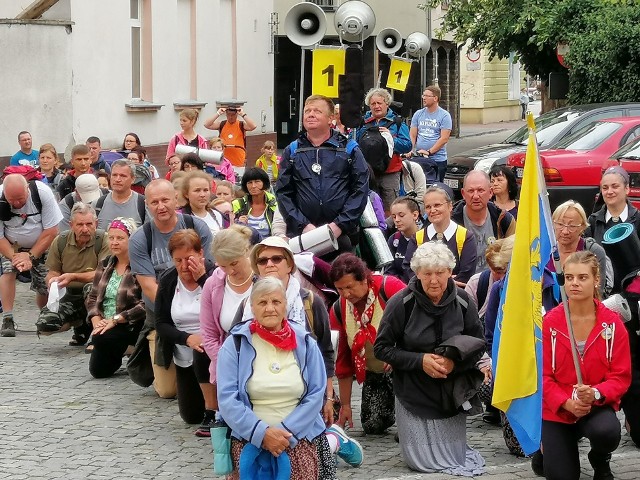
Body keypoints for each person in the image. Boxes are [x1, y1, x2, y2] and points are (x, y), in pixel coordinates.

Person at [374, 241, 486, 475]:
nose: (434, 280)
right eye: (427, 274)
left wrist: (454, 363)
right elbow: (382, 349)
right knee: (421, 462)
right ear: (417, 274)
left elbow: (477, 345)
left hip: (451, 389)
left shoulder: (464, 302)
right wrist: (420, 361)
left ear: (449, 273)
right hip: (413, 390)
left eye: (440, 273)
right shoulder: (401, 303)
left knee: (454, 457)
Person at [216, 277, 327, 479]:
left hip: (298, 443)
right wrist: (262, 434)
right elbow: (227, 399)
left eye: (276, 302)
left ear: (285, 305)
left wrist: (283, 434)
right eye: (262, 302)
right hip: (249, 444)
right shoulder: (235, 345)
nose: (270, 308)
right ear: (252, 306)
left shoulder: (305, 342)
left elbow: (317, 394)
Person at [541, 251, 631, 480]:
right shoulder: (549, 323)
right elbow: (543, 376)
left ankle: (600, 458)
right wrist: (566, 402)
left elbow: (621, 376)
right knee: (561, 476)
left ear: (596, 280)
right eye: (569, 278)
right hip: (558, 409)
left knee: (607, 433)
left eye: (582, 277)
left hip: (596, 405)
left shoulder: (612, 324)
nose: (575, 283)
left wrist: (595, 393)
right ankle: (545, 451)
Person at [127, 179, 213, 399]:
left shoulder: (197, 227)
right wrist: (174, 310)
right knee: (167, 391)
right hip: (161, 313)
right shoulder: (140, 239)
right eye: (154, 202)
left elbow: (212, 272)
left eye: (165, 200)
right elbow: (148, 285)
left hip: (202, 308)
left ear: (176, 199)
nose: (161, 206)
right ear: (147, 205)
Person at [276, 95, 369, 259]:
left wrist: (339, 225)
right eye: (307, 111)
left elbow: (360, 190)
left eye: (317, 111)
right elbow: (283, 193)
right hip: (303, 236)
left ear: (331, 118)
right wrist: (303, 225)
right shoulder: (292, 150)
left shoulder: (349, 149)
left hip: (341, 235)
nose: (310, 114)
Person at [329, 253, 406, 434]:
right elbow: (342, 360)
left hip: (406, 367)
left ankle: (412, 411)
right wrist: (346, 406)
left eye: (349, 287)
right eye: (340, 289)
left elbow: (417, 325)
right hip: (376, 372)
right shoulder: (338, 309)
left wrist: (399, 352)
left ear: (364, 279)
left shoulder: (390, 287)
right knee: (372, 425)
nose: (346, 294)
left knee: (410, 424)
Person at [155, 229, 216, 434]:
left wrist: (202, 279)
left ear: (201, 254)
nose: (183, 266)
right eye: (177, 260)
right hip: (185, 352)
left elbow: (223, 308)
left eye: (189, 259)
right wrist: (187, 338)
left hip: (212, 353)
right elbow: (161, 323)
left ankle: (214, 409)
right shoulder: (168, 280)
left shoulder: (214, 275)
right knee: (190, 416)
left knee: (204, 346)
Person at [199, 226, 255, 437]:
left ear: (246, 252)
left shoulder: (263, 280)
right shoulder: (213, 284)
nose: (230, 270)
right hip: (227, 365)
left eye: (234, 263)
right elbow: (209, 333)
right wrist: (228, 363)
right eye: (223, 265)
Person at [35, 203, 110, 346]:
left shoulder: (103, 240)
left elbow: (104, 273)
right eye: (80, 225)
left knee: (90, 288)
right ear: (71, 225)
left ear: (96, 223)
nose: (85, 229)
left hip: (97, 294)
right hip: (69, 293)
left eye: (89, 224)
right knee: (45, 325)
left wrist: (73, 276)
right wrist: (52, 281)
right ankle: (80, 322)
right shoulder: (61, 241)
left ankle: (98, 336)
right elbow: (53, 271)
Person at [0, 174, 63, 337]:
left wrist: (31, 256)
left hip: (42, 241)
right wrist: (15, 257)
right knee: (7, 272)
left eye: (20, 199)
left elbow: (52, 230)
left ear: (27, 189)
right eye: (11, 200)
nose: (16, 204)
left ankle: (46, 314)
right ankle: (7, 317)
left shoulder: (42, 193)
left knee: (45, 280)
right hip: (12, 245)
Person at [86, 218, 144, 378]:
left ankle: (136, 349)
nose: (114, 242)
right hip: (106, 324)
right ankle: (117, 350)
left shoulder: (140, 265)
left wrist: (118, 319)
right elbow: (92, 297)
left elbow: (145, 305)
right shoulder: (105, 263)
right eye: (111, 238)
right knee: (98, 372)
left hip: (130, 323)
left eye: (120, 238)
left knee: (100, 339)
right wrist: (96, 321)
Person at [402, 184, 477, 286]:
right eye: (428, 207)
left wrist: (442, 284)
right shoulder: (417, 238)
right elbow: (409, 268)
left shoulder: (466, 237)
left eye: (437, 205)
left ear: (450, 206)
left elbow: (466, 273)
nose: (432, 210)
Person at [356, 88, 412, 212]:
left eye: (379, 103)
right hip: (368, 173)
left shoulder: (397, 122)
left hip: (390, 173)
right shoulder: (362, 123)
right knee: (369, 208)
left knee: (391, 209)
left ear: (387, 103)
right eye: (373, 104)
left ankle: (390, 231)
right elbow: (355, 144)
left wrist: (390, 139)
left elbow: (407, 145)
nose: (376, 106)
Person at [586, 166, 640, 289]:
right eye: (605, 188)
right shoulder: (593, 221)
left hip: (634, 293)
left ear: (627, 189)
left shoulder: (639, 220)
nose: (609, 191)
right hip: (602, 293)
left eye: (615, 186)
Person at [452, 170, 516, 271]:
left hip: (496, 281)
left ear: (490, 192)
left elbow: (515, 254)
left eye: (480, 190)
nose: (476, 196)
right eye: (471, 191)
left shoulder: (505, 220)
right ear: (463, 194)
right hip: (462, 283)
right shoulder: (451, 222)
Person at [548, 200, 612, 298]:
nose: (565, 231)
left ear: (582, 227)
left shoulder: (593, 252)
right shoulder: (543, 250)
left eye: (572, 226)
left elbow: (598, 293)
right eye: (560, 224)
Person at [409, 85, 453, 182]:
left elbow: (444, 139)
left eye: (427, 96)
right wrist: (410, 149)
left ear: (435, 98)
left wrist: (429, 151)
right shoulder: (418, 114)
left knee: (435, 189)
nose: (423, 98)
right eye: (423, 95)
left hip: (437, 160)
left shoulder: (444, 115)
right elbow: (413, 135)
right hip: (420, 158)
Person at [232, 167, 278, 239]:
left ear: (264, 183)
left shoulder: (274, 204)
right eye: (249, 183)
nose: (253, 186)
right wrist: (238, 224)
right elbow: (229, 230)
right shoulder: (238, 204)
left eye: (257, 181)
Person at [386, 197, 421, 279]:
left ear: (415, 215)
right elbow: (389, 272)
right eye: (394, 217)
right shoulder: (393, 239)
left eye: (401, 215)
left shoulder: (426, 237)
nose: (397, 220)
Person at [180, 171, 224, 236]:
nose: (202, 195)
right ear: (186, 194)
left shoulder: (217, 215)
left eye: (206, 190)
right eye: (197, 190)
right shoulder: (181, 219)